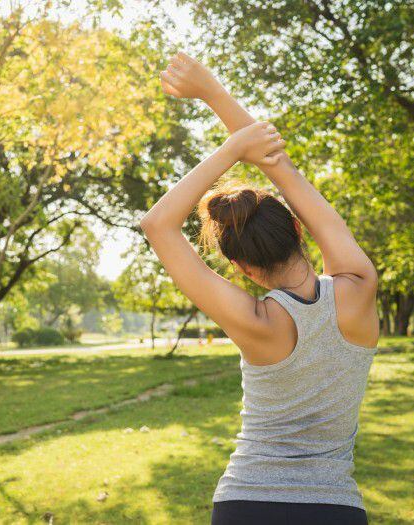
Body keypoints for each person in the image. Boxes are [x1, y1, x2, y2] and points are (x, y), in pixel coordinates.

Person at [140, 53, 379, 525]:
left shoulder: (255, 322)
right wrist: (215, 95)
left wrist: (230, 150)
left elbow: (157, 225)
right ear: (296, 225)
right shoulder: (359, 287)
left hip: (246, 503)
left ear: (243, 268)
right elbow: (282, 170)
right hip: (334, 509)